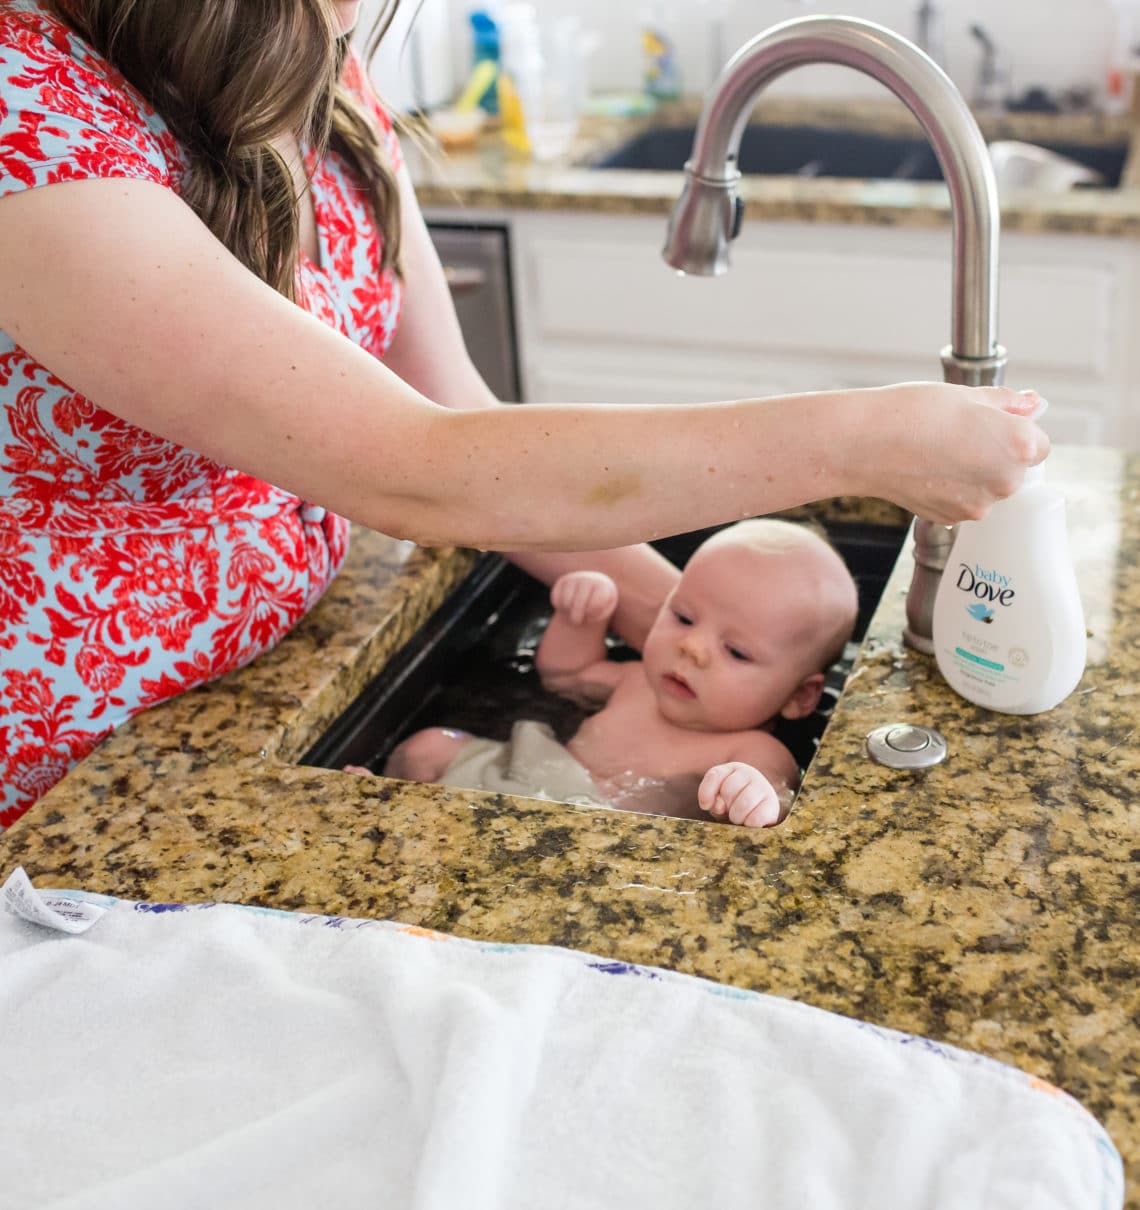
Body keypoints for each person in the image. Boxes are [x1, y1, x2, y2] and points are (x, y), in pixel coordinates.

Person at [0, 0, 1049, 829]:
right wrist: (864, 440)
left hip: (276, 675)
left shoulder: (309, 51)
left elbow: (456, 408)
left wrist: (692, 626)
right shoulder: (29, 107)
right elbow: (413, 466)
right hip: (76, 772)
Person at [381, 519, 858, 826]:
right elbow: (566, 676)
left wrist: (754, 796)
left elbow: (777, 811)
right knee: (425, 749)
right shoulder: (637, 683)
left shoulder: (751, 750)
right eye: (684, 617)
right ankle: (380, 815)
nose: (691, 647)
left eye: (735, 651)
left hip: (600, 829)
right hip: (531, 774)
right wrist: (580, 618)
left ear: (800, 697)